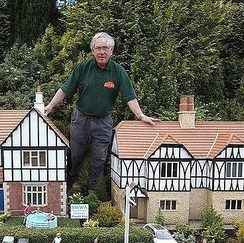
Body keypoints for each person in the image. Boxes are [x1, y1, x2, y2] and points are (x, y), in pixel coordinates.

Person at [44, 32, 158, 193]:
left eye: (105, 48)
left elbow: (129, 97)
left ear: (111, 51)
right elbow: (65, 89)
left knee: (99, 157)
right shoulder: (82, 67)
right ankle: (73, 179)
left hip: (103, 121)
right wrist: (50, 106)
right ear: (93, 51)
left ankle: (93, 188)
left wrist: (141, 115)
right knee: (76, 152)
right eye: (98, 48)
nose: (101, 52)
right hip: (81, 117)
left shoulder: (118, 72)